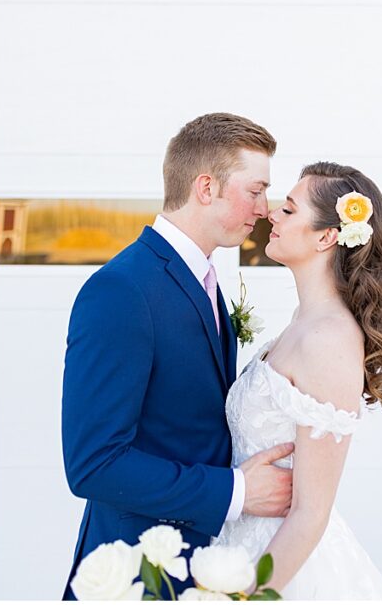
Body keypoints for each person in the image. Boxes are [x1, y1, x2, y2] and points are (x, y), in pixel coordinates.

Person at [62, 113, 294, 599]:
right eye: (255, 190)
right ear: (206, 187)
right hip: (136, 569)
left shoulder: (204, 281)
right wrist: (236, 492)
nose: (265, 207)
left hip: (205, 563)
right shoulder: (122, 290)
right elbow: (94, 463)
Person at [213, 161, 382, 598]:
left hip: (282, 565)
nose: (270, 216)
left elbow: (311, 513)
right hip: (238, 541)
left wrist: (249, 596)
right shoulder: (304, 321)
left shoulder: (329, 338)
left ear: (326, 237)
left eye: (289, 210)